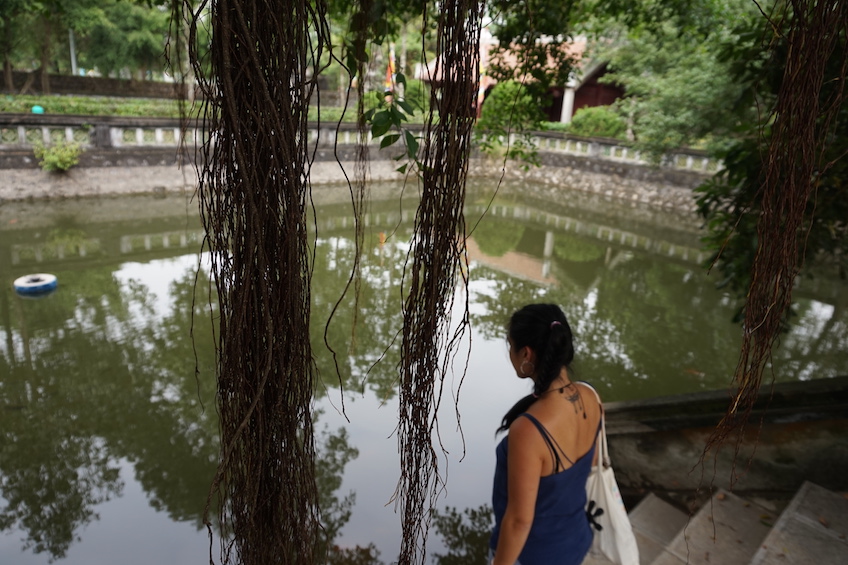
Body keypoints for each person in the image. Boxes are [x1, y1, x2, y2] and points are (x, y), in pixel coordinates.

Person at [489, 303, 603, 565]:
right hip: (576, 540)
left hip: (534, 555)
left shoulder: (529, 430)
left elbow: (519, 521)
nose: (510, 353)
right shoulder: (591, 396)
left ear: (526, 353)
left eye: (510, 346)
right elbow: (592, 462)